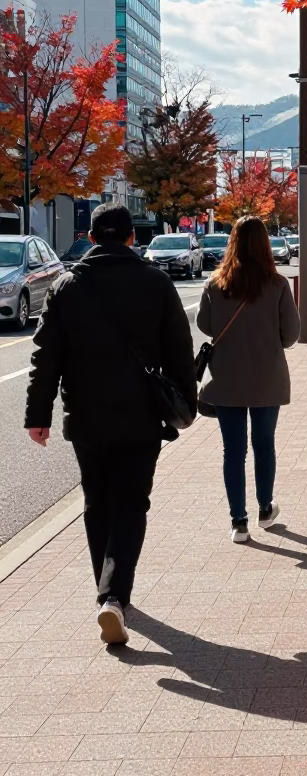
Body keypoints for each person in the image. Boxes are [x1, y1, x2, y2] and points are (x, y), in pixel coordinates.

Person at [24, 203, 196, 646]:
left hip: (85, 415)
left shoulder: (66, 286)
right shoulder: (155, 282)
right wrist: (185, 404)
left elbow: (46, 357)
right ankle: (114, 594)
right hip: (141, 415)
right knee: (131, 503)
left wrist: (37, 415)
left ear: (93, 237)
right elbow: (179, 350)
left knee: (97, 501)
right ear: (132, 237)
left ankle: (106, 594)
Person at [197, 215, 300, 544]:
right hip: (268, 376)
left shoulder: (215, 284)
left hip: (227, 377)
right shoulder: (278, 284)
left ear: (233, 243)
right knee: (264, 445)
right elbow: (291, 336)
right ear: (266, 245)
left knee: (233, 450)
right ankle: (265, 509)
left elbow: (205, 326)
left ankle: (238, 521)